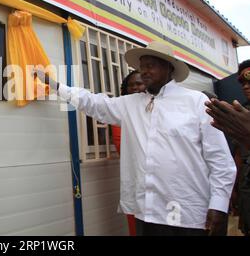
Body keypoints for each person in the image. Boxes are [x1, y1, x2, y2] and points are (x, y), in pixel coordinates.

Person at [38, 41, 236, 236]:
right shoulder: (131, 104)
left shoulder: (196, 101)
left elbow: (220, 160)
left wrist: (219, 205)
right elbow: (94, 103)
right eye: (142, 67)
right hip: (147, 212)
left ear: (169, 67)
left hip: (185, 213)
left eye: (150, 66)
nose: (144, 71)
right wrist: (57, 86)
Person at [206, 60, 250, 235]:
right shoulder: (240, 111)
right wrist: (232, 188)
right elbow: (238, 154)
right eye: (243, 83)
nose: (246, 87)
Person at [111, 70, 145, 236]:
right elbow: (122, 148)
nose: (135, 88)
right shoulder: (122, 112)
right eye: (131, 85)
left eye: (139, 83)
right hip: (137, 181)